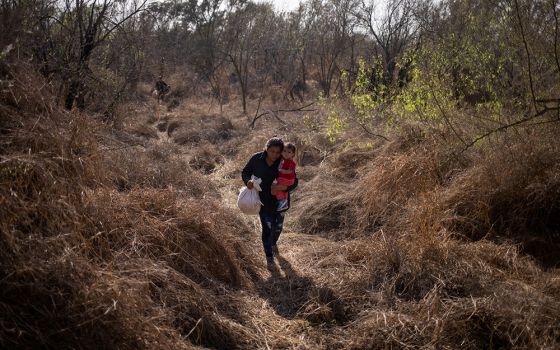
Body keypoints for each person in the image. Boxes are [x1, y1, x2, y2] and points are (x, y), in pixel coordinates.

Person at [241, 137, 298, 266]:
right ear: (266, 149)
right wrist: (247, 181)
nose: (275, 155)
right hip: (263, 201)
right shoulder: (256, 159)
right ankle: (269, 256)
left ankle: (273, 244)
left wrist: (285, 187)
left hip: (281, 201)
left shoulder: (284, 160)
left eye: (278, 152)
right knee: (267, 228)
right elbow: (245, 172)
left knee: (277, 228)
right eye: (272, 151)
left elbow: (295, 181)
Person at [272, 142, 296, 212]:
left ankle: (282, 202)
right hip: (284, 179)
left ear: (293, 154)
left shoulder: (291, 162)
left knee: (276, 184)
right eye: (284, 151)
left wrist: (283, 171)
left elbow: (290, 171)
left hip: (288, 179)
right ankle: (282, 201)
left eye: (289, 152)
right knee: (281, 190)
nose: (286, 153)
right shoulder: (282, 160)